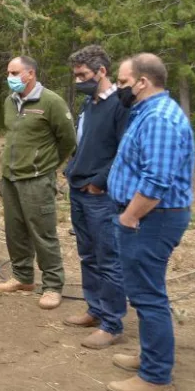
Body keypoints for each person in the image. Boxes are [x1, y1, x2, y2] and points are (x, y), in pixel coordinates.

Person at [106, 53, 195, 391]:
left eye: (124, 82)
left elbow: (157, 180)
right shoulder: (145, 113)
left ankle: (156, 376)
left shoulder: (158, 117)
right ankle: (149, 355)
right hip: (147, 218)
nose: (119, 88)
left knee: (147, 295)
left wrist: (130, 217)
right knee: (144, 290)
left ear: (143, 82)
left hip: (150, 219)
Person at [0, 55, 76, 310]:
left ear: (30, 74)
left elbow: (68, 140)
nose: (11, 77)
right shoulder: (10, 101)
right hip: (10, 177)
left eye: (15, 72)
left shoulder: (51, 101)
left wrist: (47, 165)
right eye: (9, 72)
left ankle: (52, 285)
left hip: (37, 180)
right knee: (14, 230)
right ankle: (22, 277)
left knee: (43, 233)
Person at [62, 45, 130, 349]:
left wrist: (99, 183)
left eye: (83, 75)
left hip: (99, 195)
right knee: (88, 254)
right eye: (76, 76)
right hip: (78, 189)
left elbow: (123, 152)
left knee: (108, 258)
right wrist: (72, 170)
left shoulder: (119, 105)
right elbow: (84, 142)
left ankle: (112, 323)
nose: (78, 81)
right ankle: (95, 309)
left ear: (102, 71)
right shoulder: (89, 105)